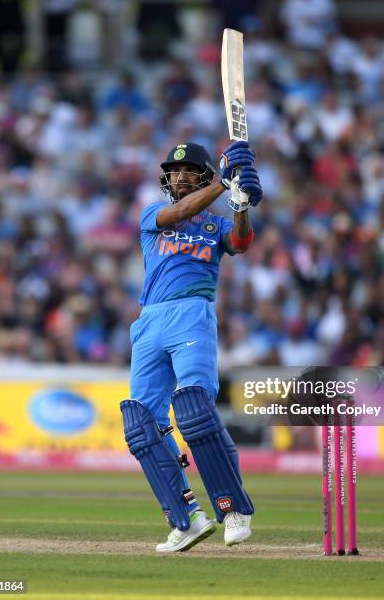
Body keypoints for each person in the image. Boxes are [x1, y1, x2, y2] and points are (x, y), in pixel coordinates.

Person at [120, 140, 262, 552]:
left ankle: (233, 509)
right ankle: (186, 519)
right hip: (148, 322)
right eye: (174, 171)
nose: (179, 176)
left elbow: (241, 242)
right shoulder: (154, 216)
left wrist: (240, 202)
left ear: (199, 175)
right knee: (142, 425)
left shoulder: (215, 226)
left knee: (194, 409)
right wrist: (225, 182)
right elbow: (181, 212)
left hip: (191, 314)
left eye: (188, 170)